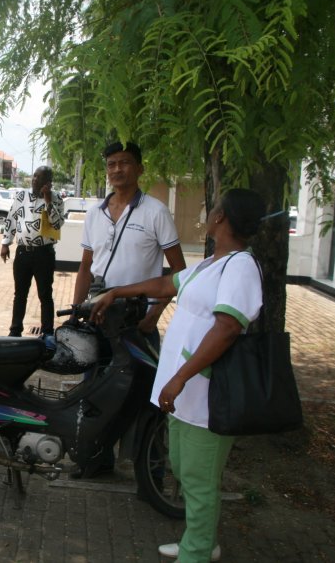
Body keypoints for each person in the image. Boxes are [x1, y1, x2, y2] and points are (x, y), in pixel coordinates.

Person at [91, 188, 266, 563]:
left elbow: (227, 328)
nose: (209, 211)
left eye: (213, 208)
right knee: (184, 471)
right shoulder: (211, 264)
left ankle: (197, 552)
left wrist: (180, 377)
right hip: (184, 394)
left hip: (206, 394)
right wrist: (116, 292)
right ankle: (200, 539)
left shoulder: (240, 267)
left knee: (200, 482)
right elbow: (167, 284)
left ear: (221, 218)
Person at [70, 141, 186, 477]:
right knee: (93, 388)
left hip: (137, 320)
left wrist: (155, 314)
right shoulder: (95, 214)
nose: (117, 169)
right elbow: (85, 266)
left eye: (125, 163)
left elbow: (178, 272)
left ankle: (149, 471)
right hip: (98, 315)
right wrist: (78, 310)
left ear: (139, 169)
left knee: (144, 394)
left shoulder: (155, 212)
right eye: (112, 164)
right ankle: (93, 460)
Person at [0, 165, 65, 337]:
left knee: (45, 294)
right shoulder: (22, 196)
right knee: (20, 294)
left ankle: (48, 333)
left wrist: (48, 199)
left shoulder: (56, 198)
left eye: (40, 177)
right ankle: (15, 331)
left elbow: (57, 224)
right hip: (23, 253)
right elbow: (11, 218)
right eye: (34, 176)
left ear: (48, 182)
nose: (35, 179)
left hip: (44, 253)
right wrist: (6, 243)